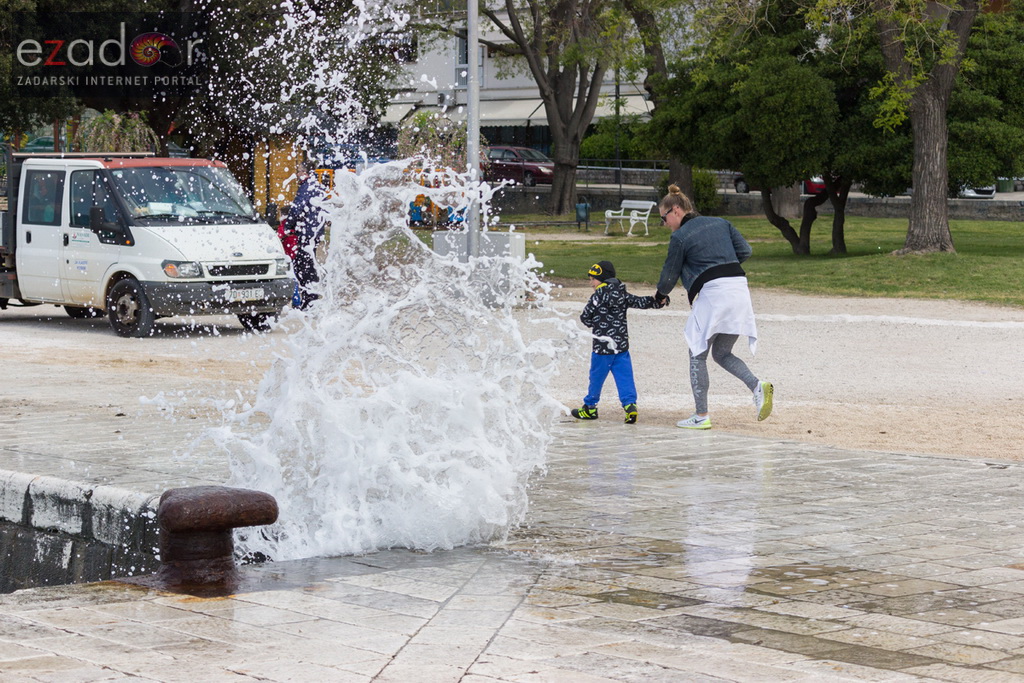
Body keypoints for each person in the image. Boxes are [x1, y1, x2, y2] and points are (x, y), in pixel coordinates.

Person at [654, 184, 773, 430]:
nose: (664, 224)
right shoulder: (721, 222)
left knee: (697, 353)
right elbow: (746, 250)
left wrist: (660, 295)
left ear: (675, 210)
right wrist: (722, 264)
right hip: (739, 290)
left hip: (715, 294)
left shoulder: (680, 237)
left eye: (663, 218)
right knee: (722, 353)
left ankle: (701, 415)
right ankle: (757, 386)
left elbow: (669, 276)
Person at [572, 260, 665, 424]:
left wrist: (595, 323)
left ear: (602, 279)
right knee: (625, 377)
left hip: (602, 348)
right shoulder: (622, 294)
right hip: (621, 347)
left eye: (593, 279)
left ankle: (590, 407)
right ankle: (630, 406)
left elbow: (585, 317)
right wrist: (658, 300)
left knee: (596, 378)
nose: (591, 283)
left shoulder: (597, 296)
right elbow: (641, 302)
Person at [283, 161, 326, 310]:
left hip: (306, 233)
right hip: (315, 232)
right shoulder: (318, 186)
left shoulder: (305, 188)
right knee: (309, 264)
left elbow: (297, 208)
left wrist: (288, 226)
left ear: (307, 172)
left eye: (300, 171)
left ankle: (308, 300)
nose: (298, 174)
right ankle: (311, 298)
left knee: (302, 266)